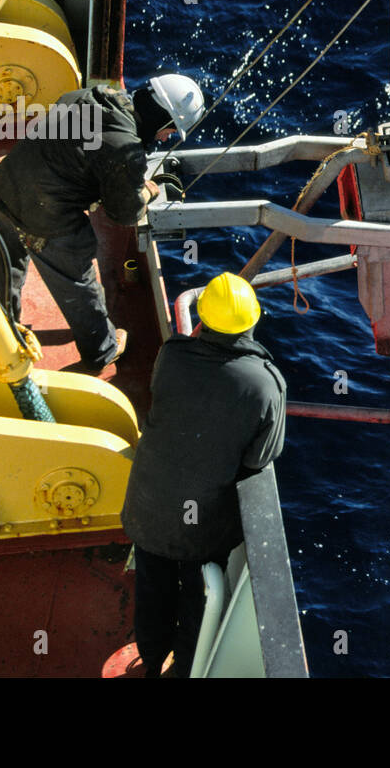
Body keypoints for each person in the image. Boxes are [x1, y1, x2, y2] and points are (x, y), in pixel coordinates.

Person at [120, 272, 288, 677]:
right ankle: (182, 668)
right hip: (202, 530)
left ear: (201, 320)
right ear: (252, 322)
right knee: (199, 598)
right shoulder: (266, 386)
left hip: (147, 510)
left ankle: (151, 660)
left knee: (153, 591)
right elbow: (260, 458)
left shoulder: (172, 355)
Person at [0, 74, 205, 371]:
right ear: (162, 119)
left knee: (9, 260)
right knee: (78, 281)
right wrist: (145, 191)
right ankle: (102, 349)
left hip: (2, 189)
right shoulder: (125, 150)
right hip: (43, 218)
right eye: (169, 131)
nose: (166, 138)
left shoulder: (87, 95)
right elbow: (123, 213)